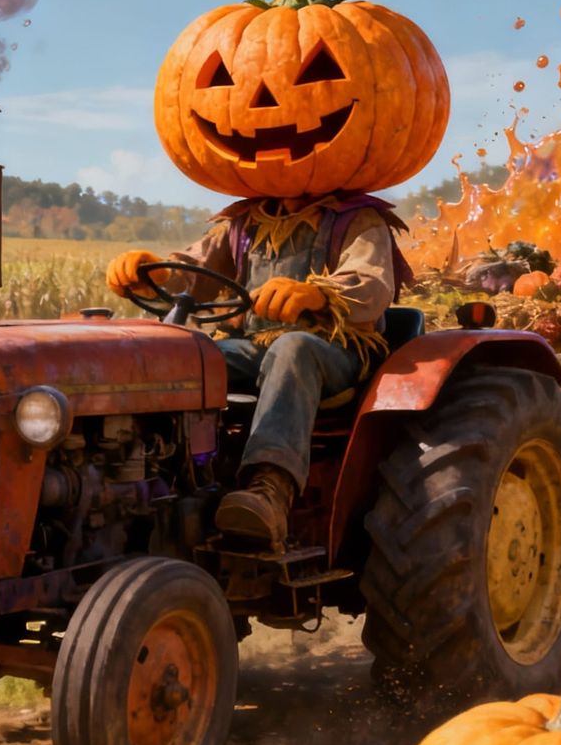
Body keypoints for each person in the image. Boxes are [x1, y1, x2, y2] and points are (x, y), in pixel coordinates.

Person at [107, 194, 406, 542]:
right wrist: (149, 274)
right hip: (253, 346)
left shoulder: (357, 219)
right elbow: (193, 277)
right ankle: (160, 476)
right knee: (193, 357)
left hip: (333, 349)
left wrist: (318, 293)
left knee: (292, 348)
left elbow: (373, 284)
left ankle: (270, 489)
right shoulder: (244, 225)